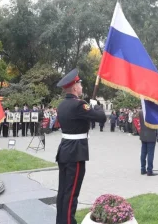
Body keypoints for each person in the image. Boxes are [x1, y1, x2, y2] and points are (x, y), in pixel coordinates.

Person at [55, 69, 106, 224]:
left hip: (64, 150)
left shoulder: (62, 105)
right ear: (75, 88)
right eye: (80, 84)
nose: (81, 87)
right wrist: (95, 106)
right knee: (72, 194)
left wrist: (88, 107)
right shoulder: (79, 105)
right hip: (75, 153)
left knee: (63, 191)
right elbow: (101, 117)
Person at [139, 110, 158, 176]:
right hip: (151, 135)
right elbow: (156, 124)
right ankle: (149, 170)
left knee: (143, 153)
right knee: (150, 154)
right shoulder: (153, 112)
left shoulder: (141, 112)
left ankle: (142, 169)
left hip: (143, 134)